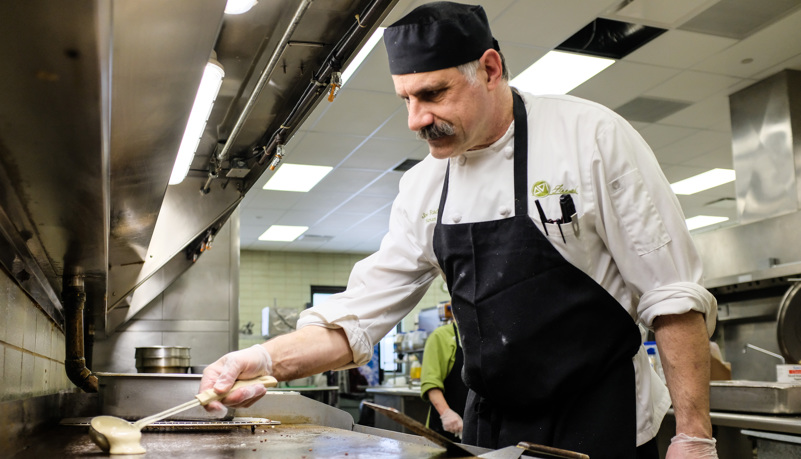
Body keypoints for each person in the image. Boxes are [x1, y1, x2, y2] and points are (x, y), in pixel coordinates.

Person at [199, 2, 719, 457]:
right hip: (487, 427)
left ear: (490, 68)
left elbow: (672, 297)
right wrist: (261, 360)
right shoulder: (424, 185)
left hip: (598, 420)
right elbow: (356, 319)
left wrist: (693, 437)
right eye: (406, 99)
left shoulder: (591, 138)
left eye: (432, 94)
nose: (415, 119)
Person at [420, 302, 468, 441]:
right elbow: (431, 384)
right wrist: (447, 414)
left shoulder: (481, 338)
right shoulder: (441, 336)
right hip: (446, 427)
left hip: (474, 425)